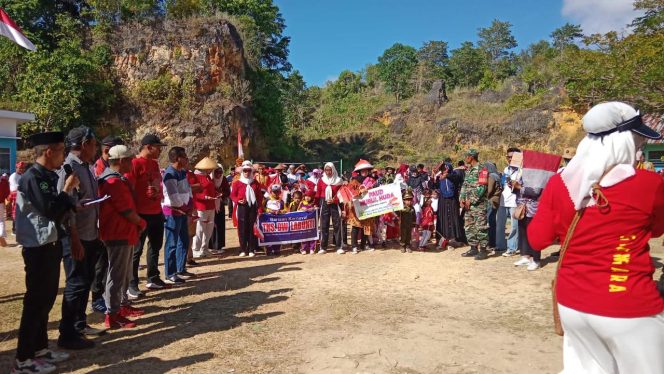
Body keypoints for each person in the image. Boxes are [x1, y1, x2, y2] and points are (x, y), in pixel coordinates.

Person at [528, 101, 664, 373]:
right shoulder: (649, 185)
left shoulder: (559, 183)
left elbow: (537, 239)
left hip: (572, 302)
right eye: (637, 141)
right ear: (626, 142)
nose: (638, 148)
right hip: (625, 300)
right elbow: (658, 228)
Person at [13, 131, 78, 374]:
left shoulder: (48, 176)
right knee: (35, 302)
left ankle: (39, 350)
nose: (64, 156)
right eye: (62, 150)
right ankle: (23, 359)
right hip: (37, 247)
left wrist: (70, 200)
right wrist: (67, 191)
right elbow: (51, 210)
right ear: (49, 151)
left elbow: (58, 208)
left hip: (51, 242)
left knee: (46, 300)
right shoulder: (33, 177)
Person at [57, 126, 106, 350]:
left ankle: (80, 324)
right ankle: (68, 333)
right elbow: (65, 208)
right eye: (94, 144)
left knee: (85, 280)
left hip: (89, 233)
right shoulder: (68, 169)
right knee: (75, 283)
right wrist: (74, 237)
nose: (96, 149)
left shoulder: (86, 167)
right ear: (84, 144)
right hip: (75, 236)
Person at [98, 145, 146, 329]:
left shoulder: (116, 179)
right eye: (128, 160)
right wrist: (141, 223)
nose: (131, 163)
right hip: (118, 232)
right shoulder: (114, 182)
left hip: (123, 231)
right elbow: (125, 209)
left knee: (123, 273)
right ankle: (112, 313)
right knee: (117, 274)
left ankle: (120, 307)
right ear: (120, 161)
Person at [126, 134, 167, 297]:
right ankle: (132, 283)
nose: (160, 151)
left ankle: (153, 277)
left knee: (155, 246)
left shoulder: (155, 164)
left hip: (156, 210)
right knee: (136, 250)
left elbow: (157, 182)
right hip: (141, 212)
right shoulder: (135, 164)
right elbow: (130, 188)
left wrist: (156, 190)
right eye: (158, 147)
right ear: (148, 147)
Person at [162, 147, 195, 283]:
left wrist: (190, 207)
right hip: (173, 213)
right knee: (172, 243)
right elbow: (173, 197)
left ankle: (180, 268)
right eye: (184, 156)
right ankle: (170, 273)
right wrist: (185, 208)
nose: (187, 159)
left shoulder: (181, 172)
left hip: (183, 212)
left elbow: (188, 191)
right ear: (177, 158)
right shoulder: (170, 174)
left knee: (184, 240)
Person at [459, 149, 489, 260]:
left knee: (480, 227)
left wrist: (471, 200)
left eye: (466, 156)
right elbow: (464, 185)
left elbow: (482, 187)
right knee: (469, 226)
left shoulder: (482, 169)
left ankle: (484, 250)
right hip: (467, 205)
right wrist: (461, 198)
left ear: (471, 157)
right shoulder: (468, 170)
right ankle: (473, 248)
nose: (465, 158)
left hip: (478, 205)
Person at [231, 161, 263, 257]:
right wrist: (238, 200)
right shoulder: (237, 183)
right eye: (245, 171)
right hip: (242, 207)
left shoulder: (255, 183)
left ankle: (251, 249)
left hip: (252, 207)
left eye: (249, 170)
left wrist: (260, 208)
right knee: (242, 228)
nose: (247, 172)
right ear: (242, 171)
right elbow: (232, 195)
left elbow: (259, 197)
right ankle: (243, 249)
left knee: (251, 227)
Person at [190, 157, 219, 259]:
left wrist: (216, 194)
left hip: (211, 205)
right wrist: (205, 197)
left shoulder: (208, 177)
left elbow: (211, 189)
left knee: (209, 229)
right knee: (200, 228)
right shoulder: (195, 177)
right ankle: (196, 249)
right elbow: (193, 192)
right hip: (201, 206)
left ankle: (204, 248)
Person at [496, 148, 520, 257]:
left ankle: (512, 248)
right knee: (500, 224)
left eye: (512, 157)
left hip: (515, 201)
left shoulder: (521, 170)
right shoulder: (506, 169)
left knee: (514, 226)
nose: (510, 159)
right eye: (508, 157)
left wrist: (516, 185)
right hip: (503, 200)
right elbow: (503, 184)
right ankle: (500, 246)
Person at [434, 163, 464, 250]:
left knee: (453, 218)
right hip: (442, 201)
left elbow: (457, 180)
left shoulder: (454, 175)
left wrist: (447, 175)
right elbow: (433, 186)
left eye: (446, 168)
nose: (445, 169)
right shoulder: (438, 177)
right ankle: (444, 241)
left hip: (452, 200)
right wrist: (434, 176)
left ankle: (453, 239)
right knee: (443, 219)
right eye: (443, 168)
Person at [316, 162, 344, 254]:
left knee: (337, 225)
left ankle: (339, 246)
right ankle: (323, 247)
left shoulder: (339, 180)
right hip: (324, 203)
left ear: (333, 170)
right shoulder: (321, 180)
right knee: (324, 225)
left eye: (329, 170)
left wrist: (335, 200)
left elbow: (341, 194)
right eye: (326, 170)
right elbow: (318, 194)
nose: (328, 172)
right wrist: (316, 204)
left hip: (335, 203)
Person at [208, 164, 230, 255]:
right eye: (217, 172)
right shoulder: (210, 179)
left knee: (220, 224)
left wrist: (222, 194)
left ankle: (219, 245)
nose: (219, 174)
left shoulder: (224, 179)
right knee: (212, 225)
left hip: (220, 205)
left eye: (221, 172)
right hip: (211, 204)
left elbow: (228, 191)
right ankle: (211, 246)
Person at [264, 184, 286, 255]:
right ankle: (269, 249)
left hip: (278, 221)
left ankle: (277, 249)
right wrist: (268, 210)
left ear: (280, 192)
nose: (276, 193)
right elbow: (262, 208)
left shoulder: (281, 201)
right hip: (268, 221)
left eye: (277, 192)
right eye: (274, 192)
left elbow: (285, 210)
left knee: (278, 234)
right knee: (269, 234)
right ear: (271, 192)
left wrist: (280, 211)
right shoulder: (267, 199)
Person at [484, 162, 502, 251]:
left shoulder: (491, 176)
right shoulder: (497, 175)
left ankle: (490, 243)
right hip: (496, 201)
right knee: (492, 222)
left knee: (489, 223)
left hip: (491, 201)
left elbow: (489, 190)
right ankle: (492, 242)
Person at [8, 161, 26, 234]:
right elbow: (15, 187)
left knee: (20, 211)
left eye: (22, 168)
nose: (21, 169)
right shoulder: (14, 176)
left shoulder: (21, 175)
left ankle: (17, 229)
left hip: (20, 194)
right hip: (15, 194)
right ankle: (14, 230)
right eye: (20, 168)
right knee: (15, 211)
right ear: (16, 168)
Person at [298, 190, 318, 255]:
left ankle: (312, 248)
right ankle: (303, 249)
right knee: (304, 236)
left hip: (312, 223)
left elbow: (317, 209)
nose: (307, 197)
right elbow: (297, 211)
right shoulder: (302, 203)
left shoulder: (314, 204)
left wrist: (312, 209)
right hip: (303, 223)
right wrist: (301, 209)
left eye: (309, 196)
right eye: (306, 196)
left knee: (312, 236)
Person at [0, 174, 9, 247]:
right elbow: (7, 193)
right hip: (1, 203)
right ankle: (1, 234)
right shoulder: (4, 181)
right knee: (1, 220)